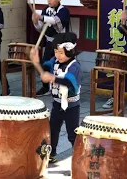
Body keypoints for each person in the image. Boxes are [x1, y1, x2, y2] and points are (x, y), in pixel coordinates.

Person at [30, 32, 82, 163]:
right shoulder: (55, 61)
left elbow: (70, 82)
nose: (57, 55)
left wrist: (53, 78)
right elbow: (43, 68)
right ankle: (51, 154)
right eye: (55, 52)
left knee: (72, 133)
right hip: (57, 104)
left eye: (61, 52)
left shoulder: (75, 66)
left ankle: (79, 158)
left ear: (71, 51)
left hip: (71, 106)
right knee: (52, 129)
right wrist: (36, 62)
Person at [32, 0, 70, 96]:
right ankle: (46, 87)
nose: (49, 0)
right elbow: (40, 28)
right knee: (45, 65)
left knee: (62, 67)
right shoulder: (46, 10)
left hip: (61, 45)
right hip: (49, 43)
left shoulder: (63, 11)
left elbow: (55, 22)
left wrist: (41, 17)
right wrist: (36, 21)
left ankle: (63, 87)